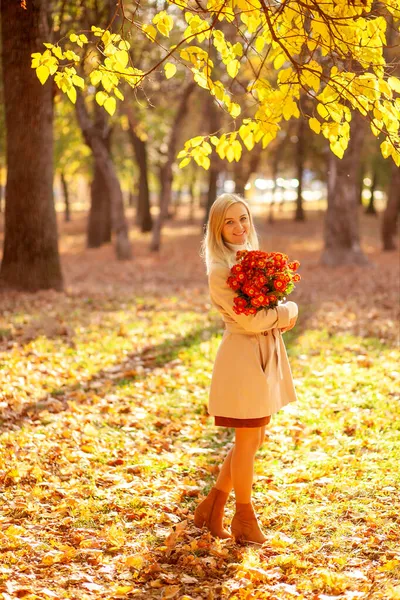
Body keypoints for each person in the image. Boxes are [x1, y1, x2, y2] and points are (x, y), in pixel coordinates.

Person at [194, 193, 298, 545]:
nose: (239, 227)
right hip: (242, 360)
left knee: (253, 439)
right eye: (230, 221)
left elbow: (263, 310)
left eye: (243, 219)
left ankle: (212, 507)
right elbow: (251, 321)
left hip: (263, 357)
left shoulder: (251, 259)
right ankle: (244, 517)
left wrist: (279, 307)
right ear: (216, 228)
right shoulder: (220, 270)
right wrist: (288, 312)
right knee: (247, 438)